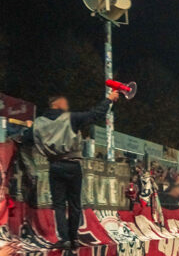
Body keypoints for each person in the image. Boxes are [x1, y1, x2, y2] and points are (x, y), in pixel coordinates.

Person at [29, 91, 119, 248]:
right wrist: (109, 100)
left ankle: (64, 239)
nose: (66, 105)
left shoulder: (38, 123)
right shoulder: (70, 118)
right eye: (64, 102)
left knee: (58, 205)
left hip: (54, 165)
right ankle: (74, 238)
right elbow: (95, 114)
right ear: (56, 103)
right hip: (72, 166)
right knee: (74, 204)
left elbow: (25, 138)